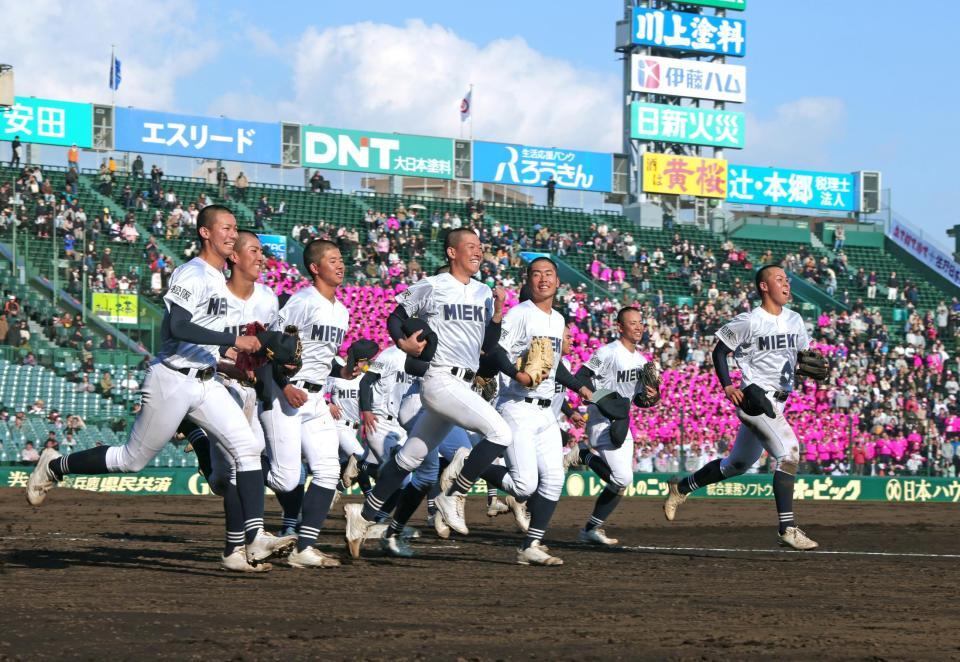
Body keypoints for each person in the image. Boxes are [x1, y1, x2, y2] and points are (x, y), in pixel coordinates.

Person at [26, 205, 289, 567]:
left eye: (234, 229)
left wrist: (242, 353)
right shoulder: (192, 273)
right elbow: (176, 328)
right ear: (206, 233)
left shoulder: (220, 279)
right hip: (172, 380)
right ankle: (56, 466)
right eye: (226, 228)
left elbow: (215, 336)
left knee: (246, 448)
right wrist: (232, 339)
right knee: (130, 461)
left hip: (207, 380)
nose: (232, 234)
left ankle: (253, 538)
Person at [343, 228, 511, 558]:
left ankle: (360, 517)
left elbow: (488, 347)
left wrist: (496, 316)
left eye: (480, 247)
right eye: (471, 246)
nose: (478, 252)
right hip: (440, 379)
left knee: (409, 459)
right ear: (451, 252)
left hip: (463, 381)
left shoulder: (483, 292)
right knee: (500, 433)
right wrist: (400, 341)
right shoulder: (433, 285)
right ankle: (453, 494)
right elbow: (397, 315)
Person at [663, 265, 819, 550]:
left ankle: (682, 487)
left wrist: (813, 366)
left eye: (787, 279)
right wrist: (728, 385)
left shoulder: (795, 320)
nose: (786, 284)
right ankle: (787, 528)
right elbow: (720, 350)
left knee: (736, 465)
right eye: (779, 279)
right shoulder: (750, 320)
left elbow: (803, 357)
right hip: (755, 399)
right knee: (789, 454)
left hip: (779, 400)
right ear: (763, 286)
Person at [465, 257, 593, 565]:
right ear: (528, 280)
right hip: (518, 406)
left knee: (552, 480)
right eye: (536, 274)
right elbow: (496, 351)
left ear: (558, 282)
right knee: (524, 485)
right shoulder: (520, 313)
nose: (543, 279)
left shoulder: (559, 320)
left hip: (546, 413)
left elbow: (554, 365)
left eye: (549, 274)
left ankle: (530, 545)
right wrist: (516, 374)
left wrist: (579, 388)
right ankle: (468, 466)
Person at [259, 239, 350, 569]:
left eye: (341, 259)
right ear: (315, 267)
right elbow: (271, 346)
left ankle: (304, 547)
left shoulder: (342, 311)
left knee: (328, 471)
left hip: (316, 397)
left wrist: (346, 370)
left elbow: (323, 360)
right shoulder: (302, 301)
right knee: (285, 479)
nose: (340, 265)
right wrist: (284, 386)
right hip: (287, 394)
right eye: (332, 260)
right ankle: (240, 465)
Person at [564, 306, 660, 545]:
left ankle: (591, 529)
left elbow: (639, 400)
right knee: (622, 478)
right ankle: (584, 455)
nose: (638, 327)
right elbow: (581, 376)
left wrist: (651, 396)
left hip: (622, 421)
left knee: (623, 480)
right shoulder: (607, 352)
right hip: (600, 419)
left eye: (640, 323)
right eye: (633, 323)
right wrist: (603, 399)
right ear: (620, 326)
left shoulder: (641, 361)